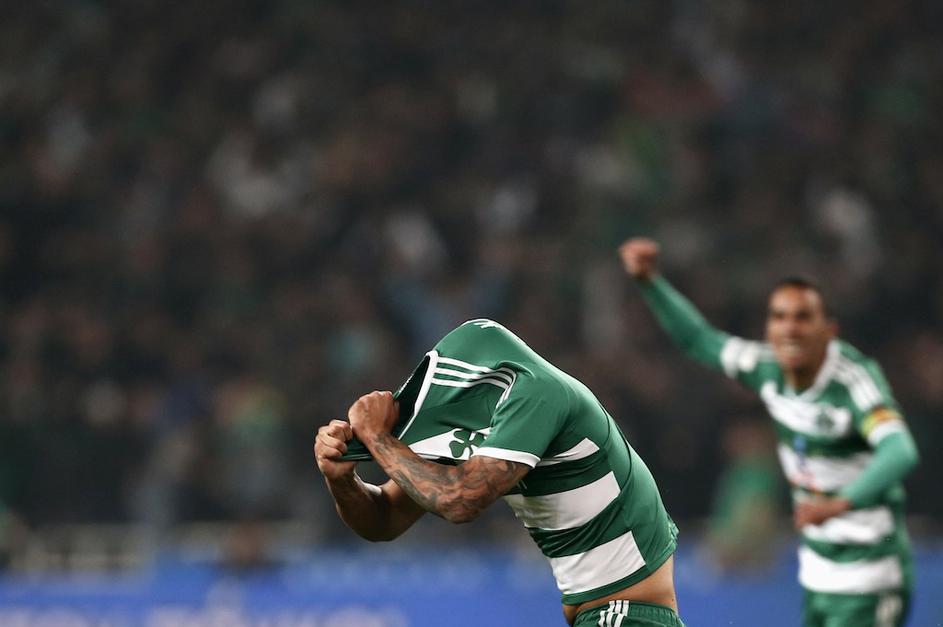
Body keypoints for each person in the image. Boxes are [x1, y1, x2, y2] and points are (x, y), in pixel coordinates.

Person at [618, 237, 920, 627]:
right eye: (779, 318)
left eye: (803, 318)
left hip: (870, 570)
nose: (789, 329)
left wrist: (838, 503)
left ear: (828, 330)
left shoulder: (852, 380)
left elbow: (899, 450)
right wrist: (650, 283)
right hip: (822, 573)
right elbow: (699, 339)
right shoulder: (768, 368)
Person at [315, 318, 685, 627]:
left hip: (624, 614)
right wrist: (342, 479)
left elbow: (461, 501)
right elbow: (384, 521)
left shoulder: (537, 393)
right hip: (617, 614)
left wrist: (378, 438)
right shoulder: (490, 419)